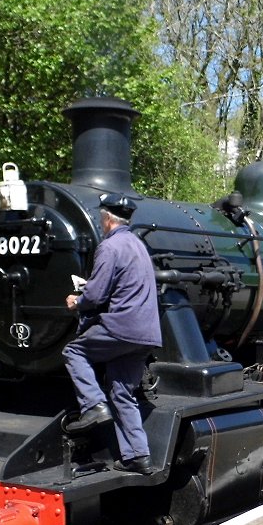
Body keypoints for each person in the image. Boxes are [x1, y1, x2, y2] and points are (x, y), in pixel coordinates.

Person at [63, 193, 161, 474]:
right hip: (147, 334)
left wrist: (76, 301)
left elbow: (95, 295)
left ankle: (93, 405)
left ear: (106, 219)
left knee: (73, 351)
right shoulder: (139, 246)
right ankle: (138, 457)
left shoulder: (110, 247)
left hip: (121, 328)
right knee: (121, 392)